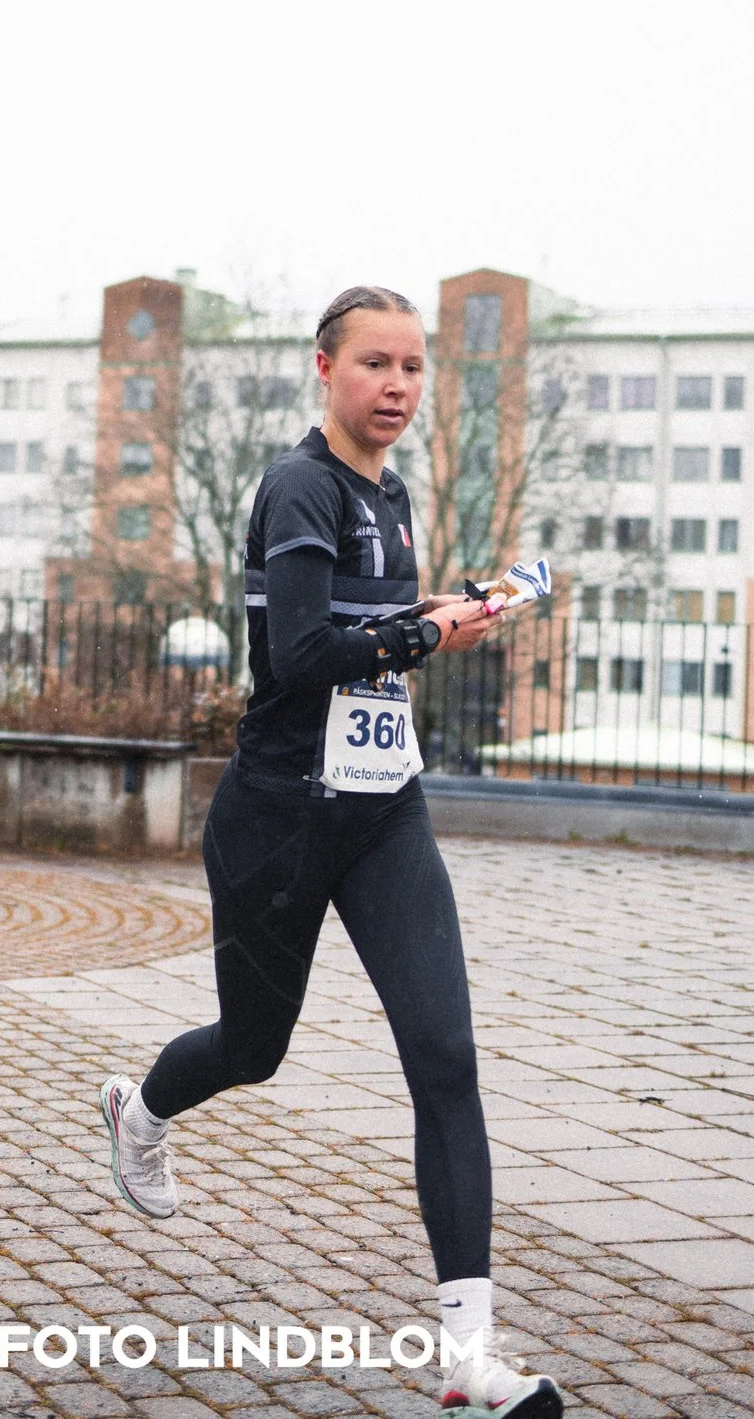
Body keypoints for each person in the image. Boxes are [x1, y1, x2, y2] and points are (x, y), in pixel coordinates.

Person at [96, 286, 561, 1418]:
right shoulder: (299, 483)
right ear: (325, 368)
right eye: (375, 364)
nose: (397, 385)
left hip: (381, 811)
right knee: (252, 1049)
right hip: (277, 813)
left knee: (444, 1059)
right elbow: (298, 655)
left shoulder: (392, 494)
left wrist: (446, 610)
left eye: (412, 367)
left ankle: (468, 1356)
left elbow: (370, 646)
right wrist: (421, 629)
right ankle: (139, 1113)